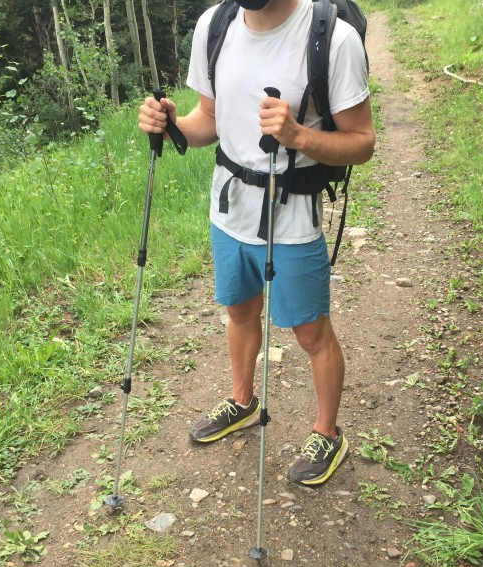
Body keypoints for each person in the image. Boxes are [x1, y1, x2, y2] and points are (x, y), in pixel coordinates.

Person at [138, 0, 374, 486]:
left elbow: (363, 142)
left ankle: (328, 434)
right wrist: (172, 124)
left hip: (291, 217)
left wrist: (298, 136)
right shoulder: (215, 24)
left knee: (310, 332)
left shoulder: (333, 37)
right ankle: (243, 402)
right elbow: (209, 119)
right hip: (228, 209)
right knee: (240, 311)